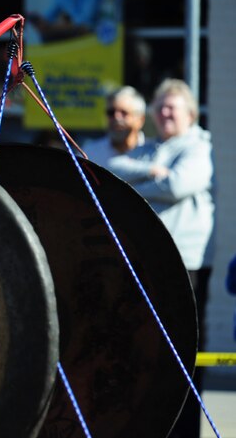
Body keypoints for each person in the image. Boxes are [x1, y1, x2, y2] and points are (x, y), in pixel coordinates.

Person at [107, 78, 214, 438]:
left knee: (183, 353)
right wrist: (151, 172)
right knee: (144, 351)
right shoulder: (151, 150)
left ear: (190, 113)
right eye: (161, 106)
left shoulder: (200, 146)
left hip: (187, 265)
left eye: (173, 107)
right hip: (147, 260)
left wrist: (140, 186)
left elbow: (179, 185)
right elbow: (112, 168)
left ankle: (184, 432)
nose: (165, 113)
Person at [82, 85, 146, 170]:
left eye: (124, 113)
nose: (116, 118)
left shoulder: (153, 154)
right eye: (111, 112)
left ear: (140, 120)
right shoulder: (89, 154)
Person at [27, 0, 99, 43]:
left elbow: (86, 20)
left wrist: (62, 26)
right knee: (46, 35)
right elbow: (49, 16)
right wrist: (40, 21)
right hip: (77, 31)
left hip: (96, 31)